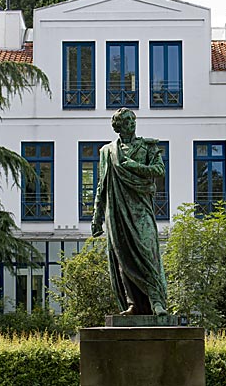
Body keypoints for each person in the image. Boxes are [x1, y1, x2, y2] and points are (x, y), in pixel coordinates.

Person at [92, 108, 168, 316]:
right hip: (117, 210)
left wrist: (135, 166)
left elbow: (159, 170)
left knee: (147, 252)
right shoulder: (107, 152)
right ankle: (133, 303)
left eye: (132, 120)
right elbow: (102, 184)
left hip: (141, 208)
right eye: (126, 121)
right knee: (123, 257)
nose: (131, 124)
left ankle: (156, 301)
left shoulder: (148, 147)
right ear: (117, 126)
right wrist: (97, 216)